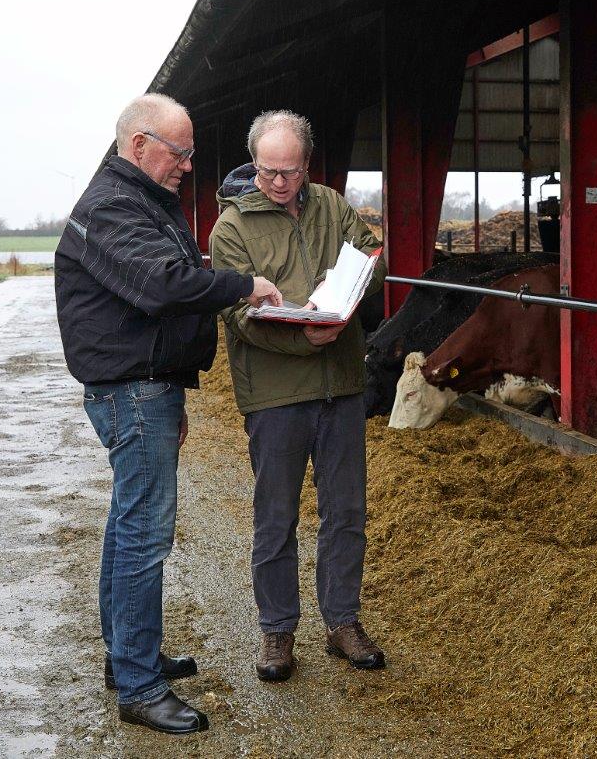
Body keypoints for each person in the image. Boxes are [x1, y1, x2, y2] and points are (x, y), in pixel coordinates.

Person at [54, 93, 282, 735]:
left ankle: (130, 655)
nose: (187, 164)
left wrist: (176, 386)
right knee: (142, 535)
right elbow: (160, 286)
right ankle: (138, 685)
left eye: (189, 153)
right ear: (139, 146)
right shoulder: (113, 207)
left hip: (147, 387)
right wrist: (244, 285)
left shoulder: (135, 202)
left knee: (129, 525)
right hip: (132, 390)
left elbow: (161, 284)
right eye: (178, 152)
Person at [209, 109, 386, 683]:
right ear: (253, 164)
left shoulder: (332, 205)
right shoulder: (231, 227)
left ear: (306, 164)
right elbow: (237, 315)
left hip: (340, 387)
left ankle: (341, 622)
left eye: (290, 171)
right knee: (276, 516)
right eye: (267, 172)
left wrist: (354, 284)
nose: (279, 182)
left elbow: (371, 256)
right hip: (277, 395)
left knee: (346, 512)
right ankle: (278, 631)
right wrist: (305, 335)